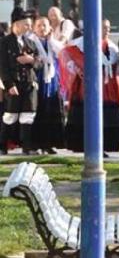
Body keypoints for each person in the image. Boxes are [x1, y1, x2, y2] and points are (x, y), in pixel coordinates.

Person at [63, 20, 119, 154]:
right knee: (88, 114)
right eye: (104, 27)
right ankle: (85, 145)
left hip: (107, 87)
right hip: (88, 85)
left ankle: (104, 146)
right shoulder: (82, 44)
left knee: (106, 115)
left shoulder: (112, 47)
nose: (107, 30)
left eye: (108, 28)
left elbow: (115, 65)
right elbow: (69, 56)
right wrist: (78, 68)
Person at [0, 8, 41, 155]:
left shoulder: (30, 42)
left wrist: (31, 60)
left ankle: (26, 147)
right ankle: (2, 146)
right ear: (16, 24)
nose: (29, 28)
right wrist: (9, 84)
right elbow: (3, 66)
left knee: (28, 116)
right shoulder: (5, 42)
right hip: (14, 84)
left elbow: (39, 63)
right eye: (26, 24)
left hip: (29, 83)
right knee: (10, 116)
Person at [30, 15, 66, 154]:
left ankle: (49, 143)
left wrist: (51, 39)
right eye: (39, 25)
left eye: (44, 25)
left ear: (49, 27)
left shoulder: (52, 42)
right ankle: (35, 144)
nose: (42, 28)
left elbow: (61, 52)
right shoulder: (31, 42)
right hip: (38, 79)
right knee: (39, 111)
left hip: (51, 81)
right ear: (34, 28)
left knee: (51, 112)